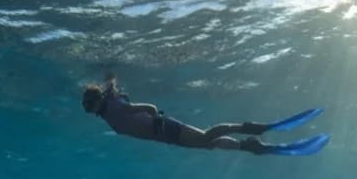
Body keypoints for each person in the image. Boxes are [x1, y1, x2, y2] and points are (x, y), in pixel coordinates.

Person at [80, 74, 328, 155]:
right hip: (164, 136)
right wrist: (110, 77)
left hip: (166, 130)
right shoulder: (109, 109)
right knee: (209, 144)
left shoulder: (115, 109)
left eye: (88, 104)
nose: (88, 109)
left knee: (207, 137)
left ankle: (257, 130)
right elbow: (112, 87)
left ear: (96, 101)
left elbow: (150, 108)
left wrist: (155, 121)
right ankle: (249, 145)